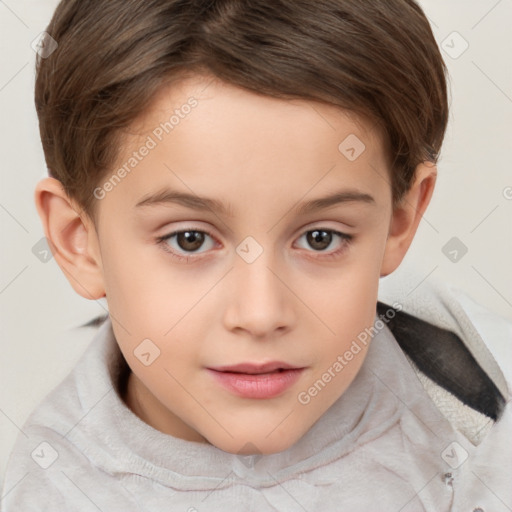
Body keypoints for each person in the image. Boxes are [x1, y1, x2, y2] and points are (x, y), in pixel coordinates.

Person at [1, 0, 510, 510]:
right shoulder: (53, 492)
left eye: (320, 238)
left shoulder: (481, 410)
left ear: (400, 219)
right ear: (78, 241)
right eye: (190, 240)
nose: (261, 313)